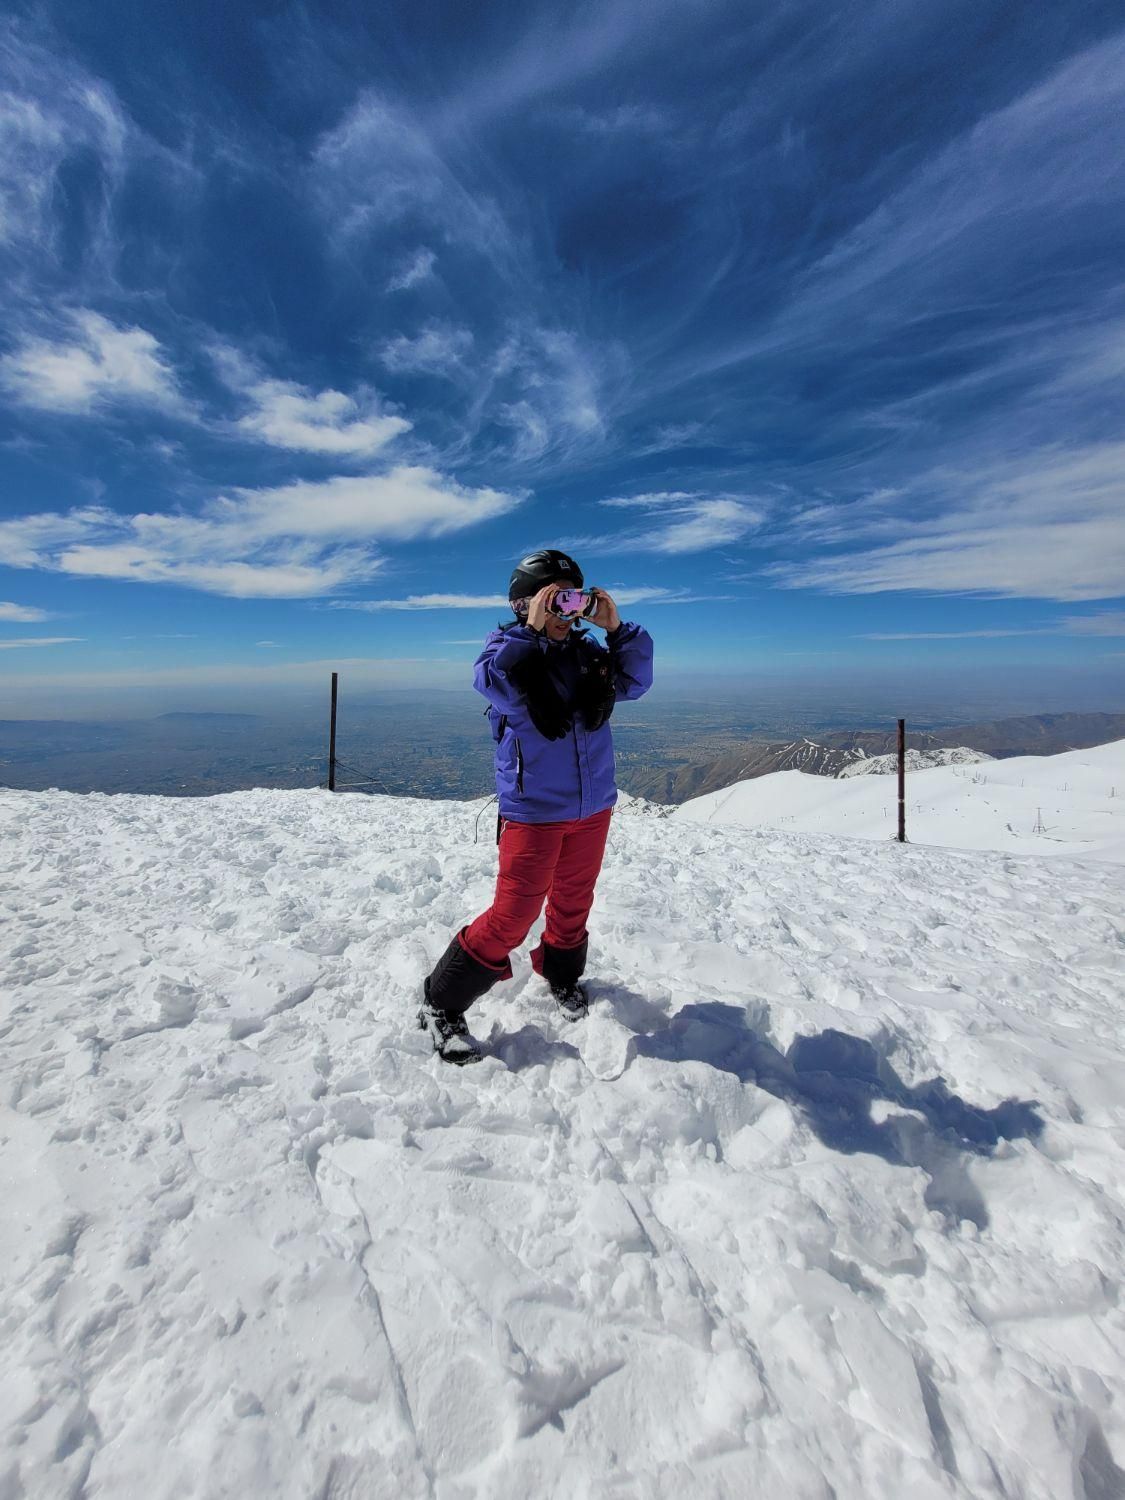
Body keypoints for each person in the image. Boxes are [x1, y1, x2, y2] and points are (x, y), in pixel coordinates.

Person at [418, 549, 655, 1063]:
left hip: (592, 806)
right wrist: (531, 633)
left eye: (575, 598)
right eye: (557, 598)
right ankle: (439, 1003)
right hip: (533, 811)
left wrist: (618, 630)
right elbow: (492, 683)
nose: (568, 611)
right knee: (513, 915)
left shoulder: (590, 652)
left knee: (574, 900)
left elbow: (636, 682)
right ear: (526, 603)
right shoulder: (507, 649)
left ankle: (562, 975)